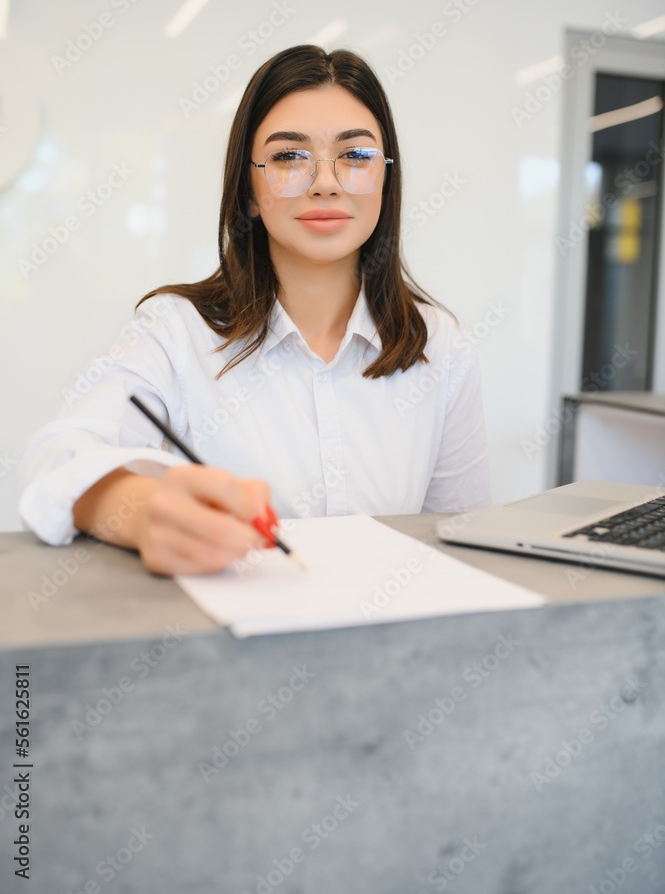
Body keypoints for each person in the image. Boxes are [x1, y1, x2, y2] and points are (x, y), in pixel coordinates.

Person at [18, 44, 490, 576]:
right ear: (248, 190)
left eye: (355, 156)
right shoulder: (177, 332)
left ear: (385, 178)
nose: (325, 181)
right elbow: (56, 458)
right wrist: (141, 510)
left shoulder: (439, 343)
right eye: (290, 156)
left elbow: (458, 535)